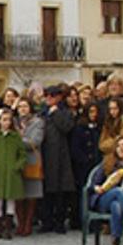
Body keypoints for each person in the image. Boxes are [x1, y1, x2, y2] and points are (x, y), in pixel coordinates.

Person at [0, 107, 26, 240]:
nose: (6, 122)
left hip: (12, 174)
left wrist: (17, 166)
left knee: (10, 200)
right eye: (4, 120)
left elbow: (22, 155)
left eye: (8, 120)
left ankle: (8, 228)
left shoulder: (15, 137)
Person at [39, 84, 75, 234]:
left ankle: (59, 222)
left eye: (52, 96)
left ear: (59, 97)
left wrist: (55, 114)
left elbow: (66, 127)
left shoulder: (65, 112)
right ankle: (46, 221)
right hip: (45, 155)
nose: (49, 99)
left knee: (60, 191)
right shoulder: (41, 113)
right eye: (47, 96)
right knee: (46, 191)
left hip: (61, 156)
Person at [14, 97, 44, 236]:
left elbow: (35, 141)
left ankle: (28, 224)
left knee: (31, 195)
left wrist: (18, 139)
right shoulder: (14, 122)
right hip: (16, 161)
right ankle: (20, 223)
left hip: (31, 160)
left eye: (25, 106)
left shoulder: (38, 122)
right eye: (20, 107)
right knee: (18, 194)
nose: (23, 109)